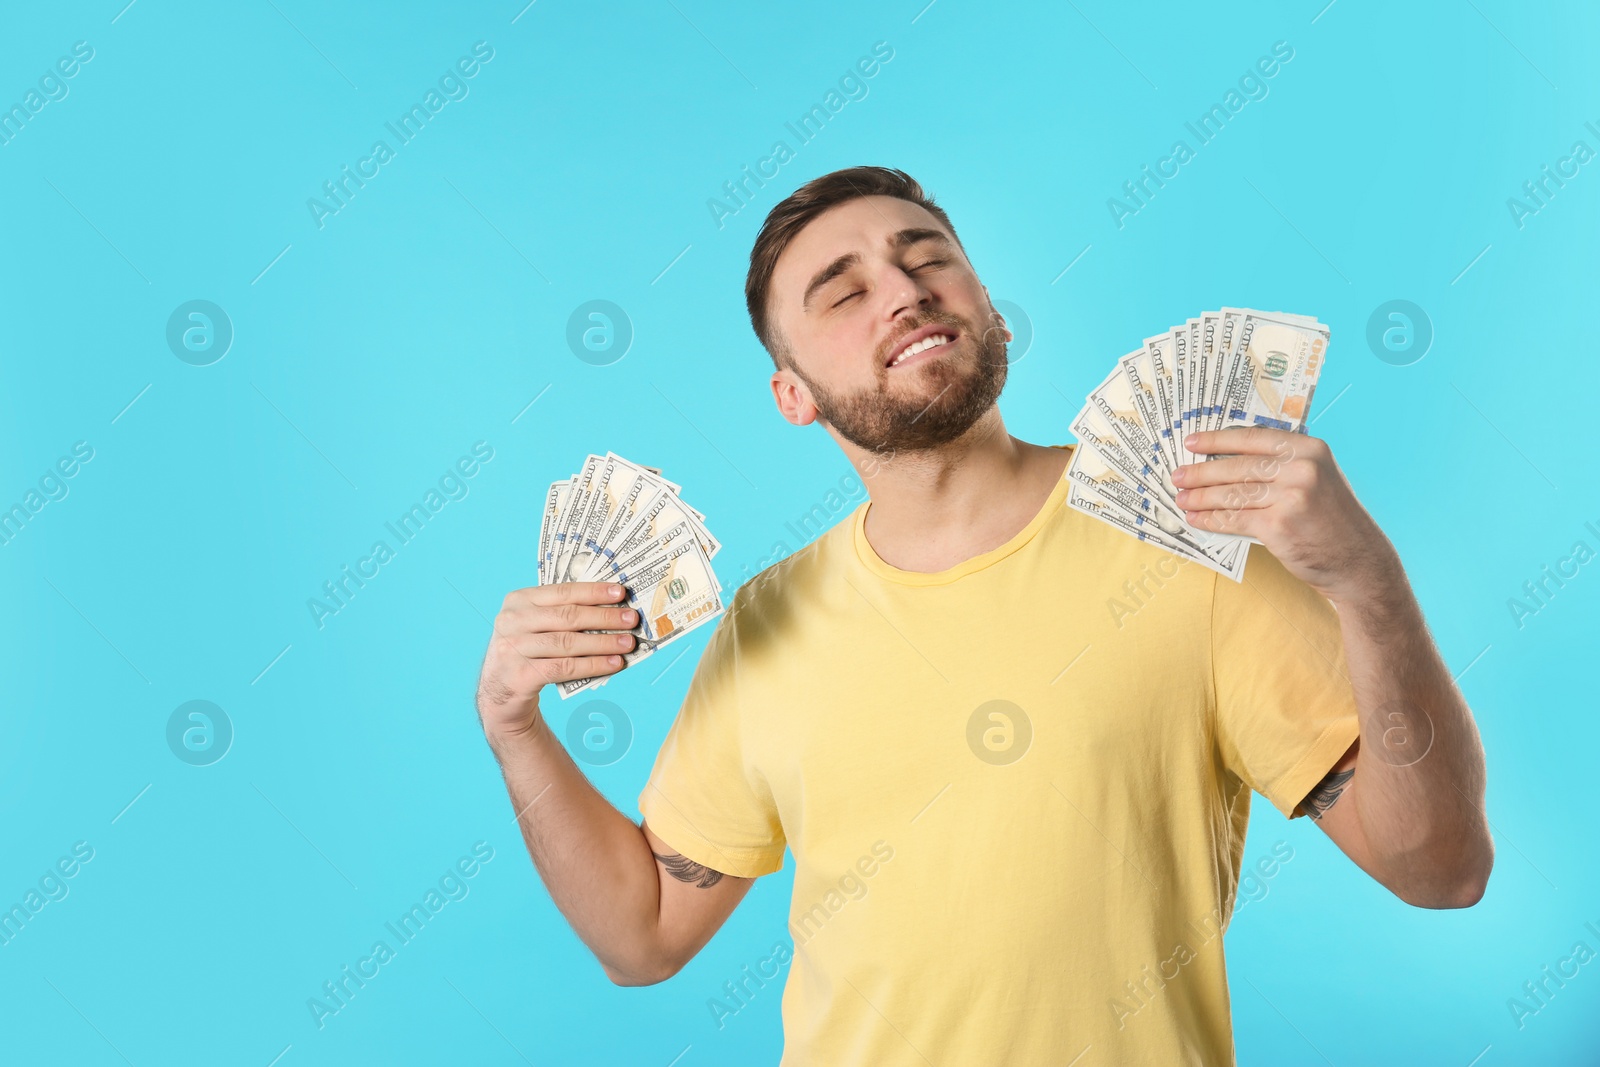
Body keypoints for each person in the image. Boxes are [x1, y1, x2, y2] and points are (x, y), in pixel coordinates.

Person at [474, 166, 1492, 1064]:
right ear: (793, 395)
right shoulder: (766, 620)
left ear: (994, 314)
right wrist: (513, 727)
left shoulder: (1187, 548)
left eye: (928, 260)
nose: (904, 290)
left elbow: (1441, 869)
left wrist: (1370, 583)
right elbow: (642, 933)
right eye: (844, 291)